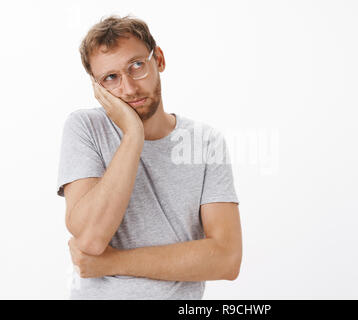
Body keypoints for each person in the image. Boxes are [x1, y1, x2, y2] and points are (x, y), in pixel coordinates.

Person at [56, 15, 242, 300]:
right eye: (111, 78)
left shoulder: (204, 141)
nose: (129, 88)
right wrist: (133, 135)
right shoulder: (85, 129)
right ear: (97, 89)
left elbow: (226, 259)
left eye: (137, 66)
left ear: (160, 60)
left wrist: (113, 262)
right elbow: (91, 239)